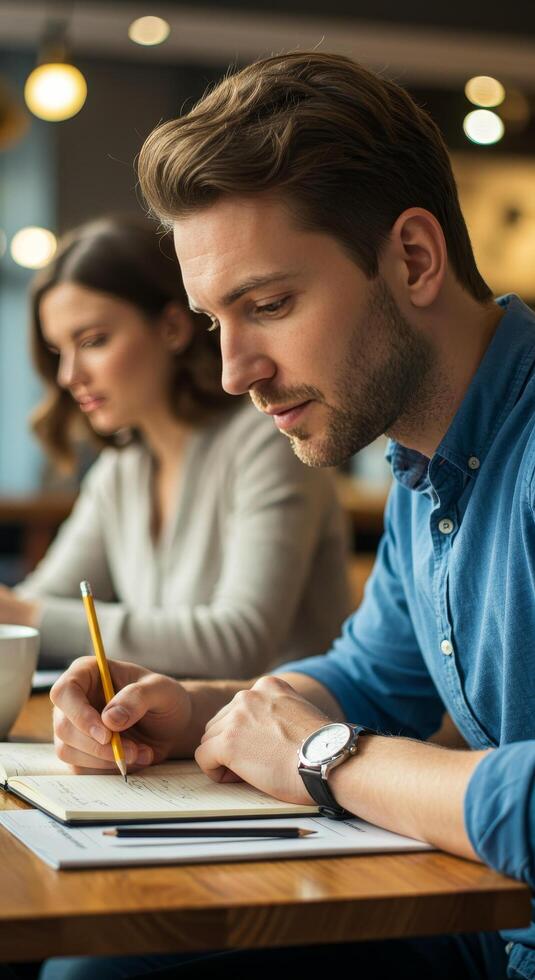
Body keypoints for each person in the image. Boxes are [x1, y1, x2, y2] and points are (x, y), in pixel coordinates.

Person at [45, 52, 535, 979]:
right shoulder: (424, 461)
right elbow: (372, 678)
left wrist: (322, 756)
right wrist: (198, 714)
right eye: (216, 320)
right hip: (487, 921)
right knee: (103, 961)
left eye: (267, 304)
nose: (234, 372)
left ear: (414, 259)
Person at [0, 216, 350, 677]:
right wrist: (22, 614)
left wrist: (26, 617)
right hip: (182, 738)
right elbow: (40, 601)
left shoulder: (269, 440)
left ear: (171, 327)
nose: (69, 376)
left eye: (93, 341)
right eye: (58, 350)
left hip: (295, 737)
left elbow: (239, 642)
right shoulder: (122, 469)